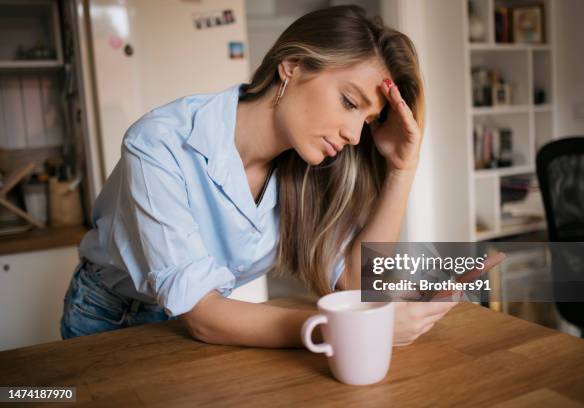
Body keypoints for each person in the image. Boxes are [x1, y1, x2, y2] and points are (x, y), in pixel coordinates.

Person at [61, 5, 502, 347]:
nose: (353, 134)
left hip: (223, 323)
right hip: (109, 316)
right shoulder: (159, 143)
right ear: (291, 66)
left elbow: (355, 283)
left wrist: (403, 168)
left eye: (367, 121)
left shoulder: (312, 167)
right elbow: (202, 315)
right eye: (350, 102)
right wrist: (351, 329)